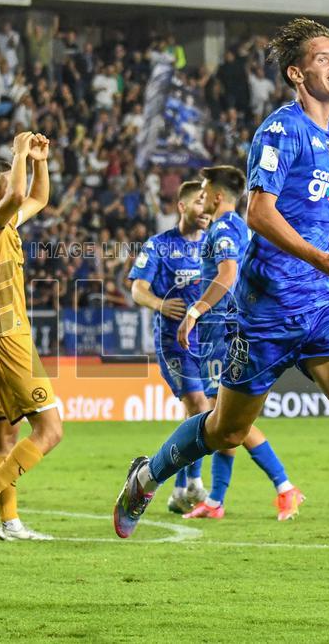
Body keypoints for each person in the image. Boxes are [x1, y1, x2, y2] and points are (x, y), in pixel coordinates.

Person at [112, 18, 329, 609]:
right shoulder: (282, 127)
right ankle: (147, 478)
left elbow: (313, 227)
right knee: (226, 429)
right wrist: (321, 264)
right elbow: (258, 213)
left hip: (321, 303)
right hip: (266, 309)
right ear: (297, 73)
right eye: (325, 57)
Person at [177, 166, 304, 521]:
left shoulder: (225, 227)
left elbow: (229, 272)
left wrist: (196, 311)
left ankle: (285, 487)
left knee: (230, 419)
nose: (200, 200)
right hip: (226, 327)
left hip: (225, 328)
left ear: (218, 197)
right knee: (223, 419)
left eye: (203, 194)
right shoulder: (230, 227)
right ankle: (216, 501)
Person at [0, 132, 64, 541]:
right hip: (8, 337)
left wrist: (39, 160)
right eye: (4, 191)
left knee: (6, 433)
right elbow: (19, 197)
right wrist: (19, 153)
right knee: (51, 430)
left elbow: (37, 198)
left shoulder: (3, 225)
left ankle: (10, 520)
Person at [127, 181, 211, 514]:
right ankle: (194, 483)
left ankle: (179, 489)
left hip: (207, 342)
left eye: (207, 205)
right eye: (198, 204)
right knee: (200, 405)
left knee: (195, 412)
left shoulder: (212, 245)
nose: (204, 211)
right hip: (173, 342)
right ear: (182, 206)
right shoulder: (159, 246)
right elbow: (137, 289)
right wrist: (161, 305)